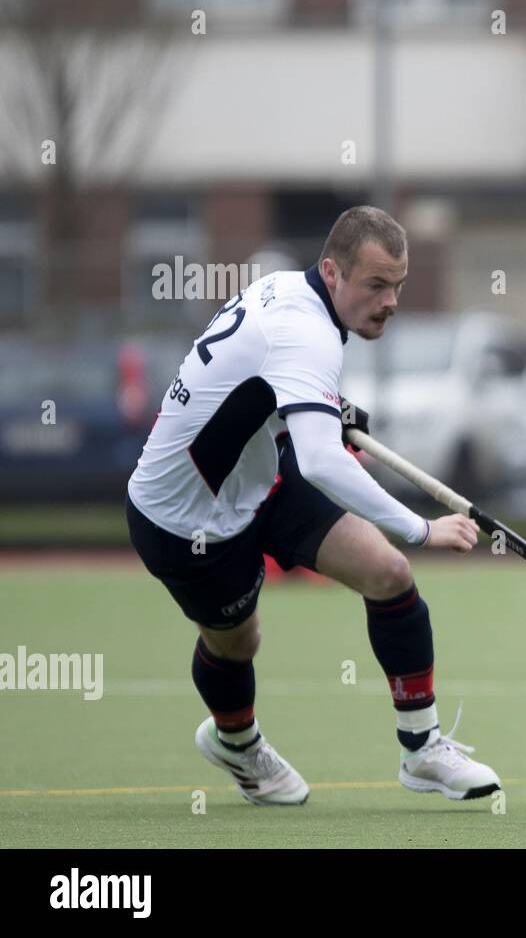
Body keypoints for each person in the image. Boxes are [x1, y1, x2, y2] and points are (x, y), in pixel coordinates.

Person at [126, 206, 499, 805]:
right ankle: (237, 743)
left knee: (387, 574)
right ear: (332, 271)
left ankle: (422, 749)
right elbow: (323, 462)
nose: (390, 300)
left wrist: (331, 408)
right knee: (238, 643)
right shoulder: (309, 334)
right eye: (375, 285)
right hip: (184, 519)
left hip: (260, 478)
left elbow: (265, 387)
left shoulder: (287, 290)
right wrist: (420, 529)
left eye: (397, 285)